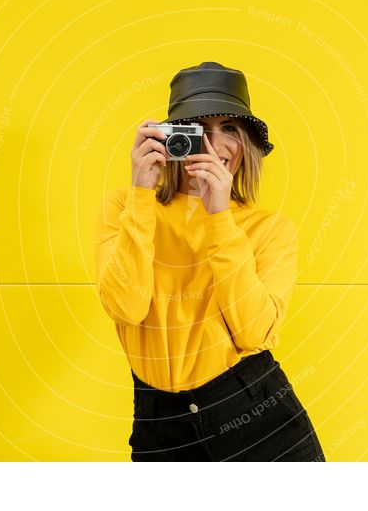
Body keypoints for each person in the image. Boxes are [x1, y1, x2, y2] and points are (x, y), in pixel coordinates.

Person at [95, 61, 325, 461]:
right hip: (160, 424)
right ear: (171, 139)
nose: (215, 146)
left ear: (246, 145)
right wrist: (141, 194)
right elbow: (125, 307)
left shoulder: (270, 228)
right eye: (198, 129)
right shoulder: (126, 207)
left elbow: (253, 334)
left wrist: (219, 216)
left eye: (230, 129)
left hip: (256, 416)